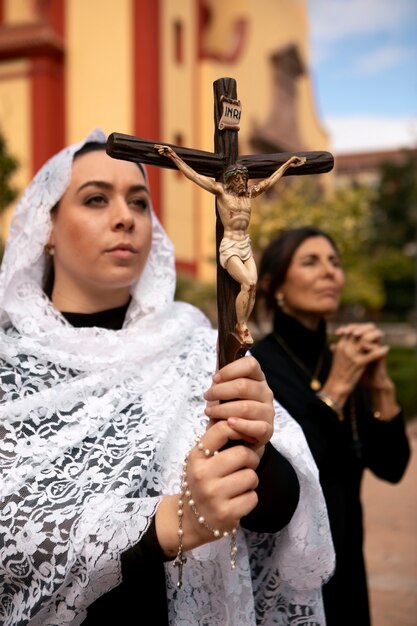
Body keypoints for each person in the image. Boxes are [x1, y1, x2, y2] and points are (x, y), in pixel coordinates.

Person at [0, 131, 334, 625]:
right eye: (96, 199)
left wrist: (255, 449)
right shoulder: (10, 364)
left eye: (139, 201)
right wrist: (171, 522)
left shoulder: (197, 344)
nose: (126, 217)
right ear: (45, 226)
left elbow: (274, 513)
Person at [251, 226, 411, 626]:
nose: (330, 273)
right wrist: (335, 391)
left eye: (334, 263)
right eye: (311, 262)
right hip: (286, 562)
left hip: (347, 556)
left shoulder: (345, 359)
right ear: (276, 286)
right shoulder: (256, 366)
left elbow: (391, 468)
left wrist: (380, 387)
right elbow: (296, 471)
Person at [154, 143, 305, 345]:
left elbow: (270, 182)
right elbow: (195, 176)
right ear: (231, 180)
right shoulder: (222, 192)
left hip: (245, 245)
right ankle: (241, 326)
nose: (243, 181)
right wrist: (173, 156)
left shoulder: (249, 194)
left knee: (253, 287)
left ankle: (243, 324)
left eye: (244, 178)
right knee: (248, 283)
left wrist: (287, 164)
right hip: (231, 246)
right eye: (239, 178)